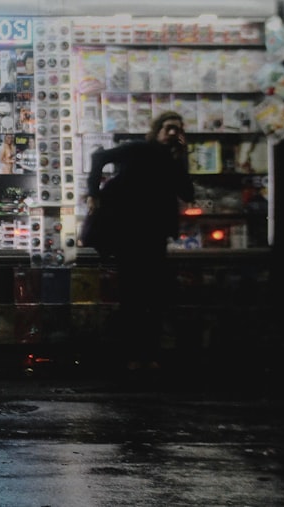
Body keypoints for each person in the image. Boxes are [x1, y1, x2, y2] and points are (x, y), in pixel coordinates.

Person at [86, 110, 193, 372]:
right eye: (168, 128)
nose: (172, 133)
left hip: (154, 237)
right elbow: (99, 157)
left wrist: (182, 159)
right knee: (133, 298)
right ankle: (133, 355)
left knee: (153, 300)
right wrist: (93, 194)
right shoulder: (137, 149)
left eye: (177, 129)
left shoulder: (172, 160)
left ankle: (148, 355)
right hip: (129, 235)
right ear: (156, 130)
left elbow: (187, 193)